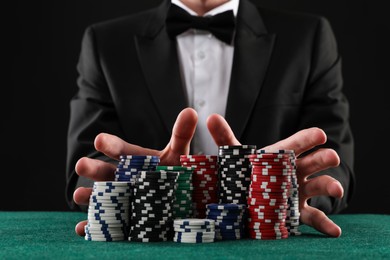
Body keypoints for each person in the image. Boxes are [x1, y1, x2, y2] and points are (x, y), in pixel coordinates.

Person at [66, 0, 355, 238]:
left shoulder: (309, 36)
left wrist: (285, 191)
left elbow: (335, 161)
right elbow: (85, 167)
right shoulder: (104, 43)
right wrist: (140, 187)